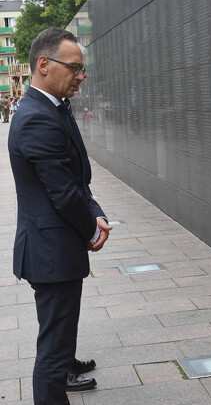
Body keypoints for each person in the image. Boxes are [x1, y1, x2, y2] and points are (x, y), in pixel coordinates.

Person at [8, 28, 112, 404]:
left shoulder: (54, 106)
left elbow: (76, 176)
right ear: (44, 65)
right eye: (75, 67)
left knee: (59, 338)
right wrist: (90, 230)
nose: (81, 75)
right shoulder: (37, 117)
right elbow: (61, 192)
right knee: (52, 355)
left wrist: (95, 212)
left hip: (57, 248)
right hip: (51, 253)